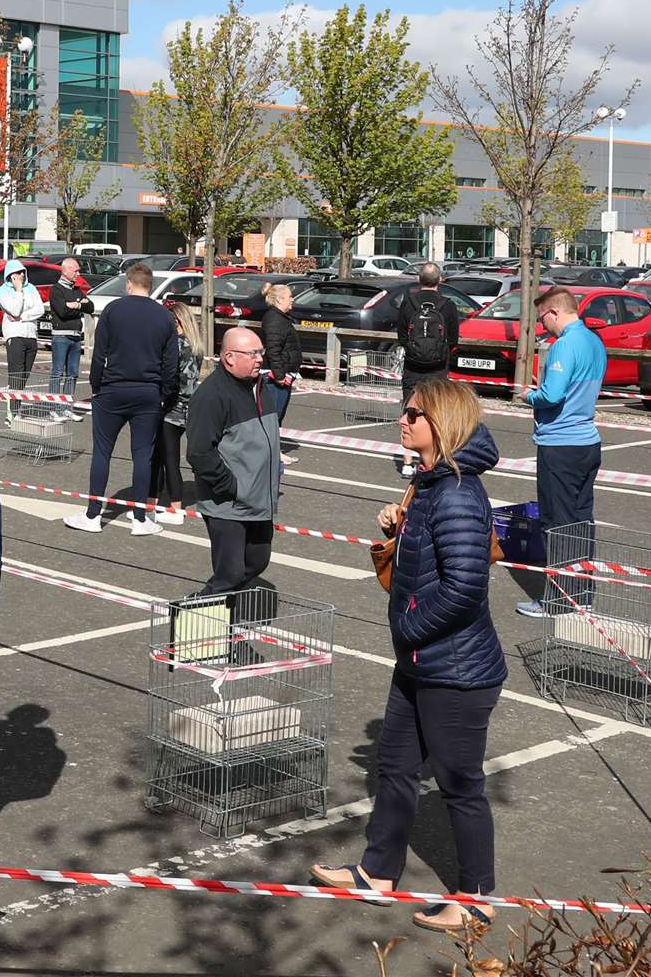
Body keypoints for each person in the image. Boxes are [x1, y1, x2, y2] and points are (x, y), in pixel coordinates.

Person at [310, 376, 506, 937]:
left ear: (439, 423)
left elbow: (466, 587)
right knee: (395, 767)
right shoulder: (430, 483)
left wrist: (409, 628)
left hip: (455, 669)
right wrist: (402, 528)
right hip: (422, 661)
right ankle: (377, 872)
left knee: (460, 784)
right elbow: (437, 562)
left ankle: (476, 899)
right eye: (405, 411)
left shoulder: (458, 492)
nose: (403, 419)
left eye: (413, 413)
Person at [64, 263, 177, 537]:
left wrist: (97, 387)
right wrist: (163, 394)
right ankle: (140, 518)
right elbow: (170, 364)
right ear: (149, 286)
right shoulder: (163, 316)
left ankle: (93, 514)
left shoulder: (113, 310)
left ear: (128, 283)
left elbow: (98, 353)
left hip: (112, 389)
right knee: (142, 456)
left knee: (102, 452)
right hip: (148, 392)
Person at [515, 286, 606, 618]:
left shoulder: (564, 345)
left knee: (557, 522)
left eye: (543, 319)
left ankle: (558, 599)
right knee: (581, 519)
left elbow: (551, 395)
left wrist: (528, 396)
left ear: (554, 312)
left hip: (560, 443)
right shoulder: (594, 342)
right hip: (587, 441)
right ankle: (581, 592)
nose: (543, 327)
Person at [185, 327, 280, 592]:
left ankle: (232, 615)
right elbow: (199, 452)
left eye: (261, 352)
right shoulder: (211, 395)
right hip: (227, 504)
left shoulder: (258, 387)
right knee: (230, 573)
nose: (260, 359)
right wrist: (233, 487)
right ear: (229, 358)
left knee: (257, 561)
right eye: (253, 354)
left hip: (259, 500)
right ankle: (196, 619)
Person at [396, 262, 460, 478]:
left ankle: (407, 462)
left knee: (409, 411)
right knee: (436, 412)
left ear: (418, 279)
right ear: (440, 280)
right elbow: (453, 339)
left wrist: (415, 351)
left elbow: (402, 337)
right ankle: (435, 458)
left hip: (413, 367)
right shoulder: (448, 305)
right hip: (438, 367)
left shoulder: (409, 303)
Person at [150, 301, 204, 526]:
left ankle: (171, 506)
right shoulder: (196, 346)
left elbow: (170, 377)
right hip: (191, 407)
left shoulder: (177, 345)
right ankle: (166, 504)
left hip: (172, 407)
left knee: (164, 459)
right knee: (174, 458)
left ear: (177, 322)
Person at [260, 283, 301, 466]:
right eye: (289, 296)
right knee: (272, 416)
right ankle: (271, 453)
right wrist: (279, 375)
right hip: (276, 377)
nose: (292, 299)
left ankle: (274, 451)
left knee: (276, 416)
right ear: (279, 300)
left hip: (283, 374)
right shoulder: (275, 320)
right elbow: (273, 350)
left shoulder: (280, 318)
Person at [47, 258, 93, 423]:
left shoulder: (77, 290)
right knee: (57, 373)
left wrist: (77, 305)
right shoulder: (56, 290)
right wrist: (76, 305)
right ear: (65, 270)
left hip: (75, 337)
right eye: (76, 271)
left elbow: (91, 307)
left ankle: (66, 408)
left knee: (72, 374)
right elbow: (63, 311)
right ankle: (53, 409)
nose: (78, 274)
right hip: (61, 336)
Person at [0, 259, 45, 410]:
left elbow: (40, 310)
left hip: (31, 335)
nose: (21, 276)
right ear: (10, 275)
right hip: (14, 335)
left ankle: (14, 402)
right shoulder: (3, 291)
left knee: (24, 374)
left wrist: (23, 317)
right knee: (16, 374)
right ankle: (13, 411)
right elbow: (14, 310)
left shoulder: (32, 288)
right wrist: (18, 291)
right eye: (17, 273)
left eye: (22, 272)